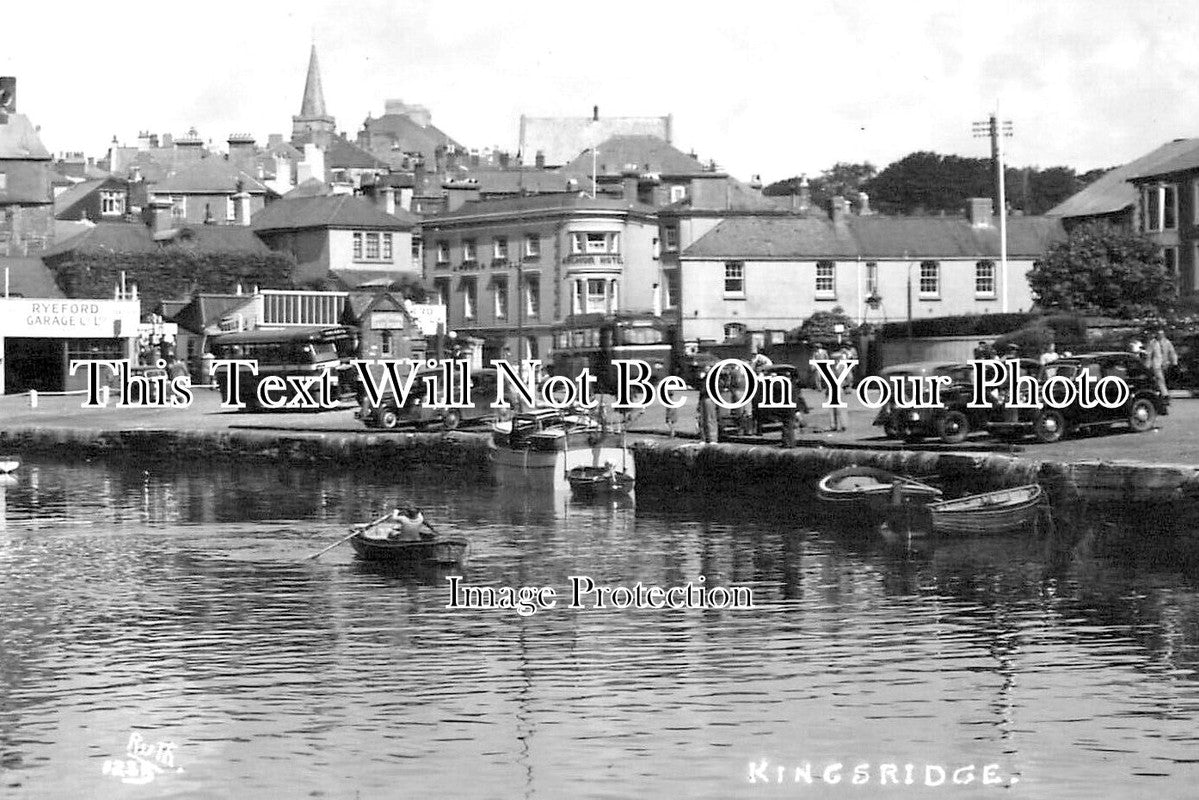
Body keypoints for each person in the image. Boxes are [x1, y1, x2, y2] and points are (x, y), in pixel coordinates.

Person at [1147, 328, 1178, 411]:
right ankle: (1165, 395)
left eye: (1161, 334)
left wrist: (1174, 362)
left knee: (1162, 381)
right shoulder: (1153, 343)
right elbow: (1149, 354)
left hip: (1165, 365)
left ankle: (1162, 398)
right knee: (1160, 379)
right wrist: (1147, 365)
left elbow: (1172, 352)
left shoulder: (1167, 342)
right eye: (1158, 334)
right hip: (1156, 364)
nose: (1160, 336)